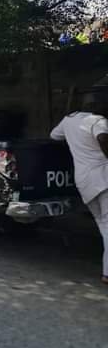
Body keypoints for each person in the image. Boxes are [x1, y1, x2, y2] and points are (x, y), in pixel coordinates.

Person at [50, 96, 108, 285]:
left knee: (102, 223)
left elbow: (54, 136)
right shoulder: (98, 122)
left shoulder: (69, 121)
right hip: (103, 178)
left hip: (84, 180)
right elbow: (103, 139)